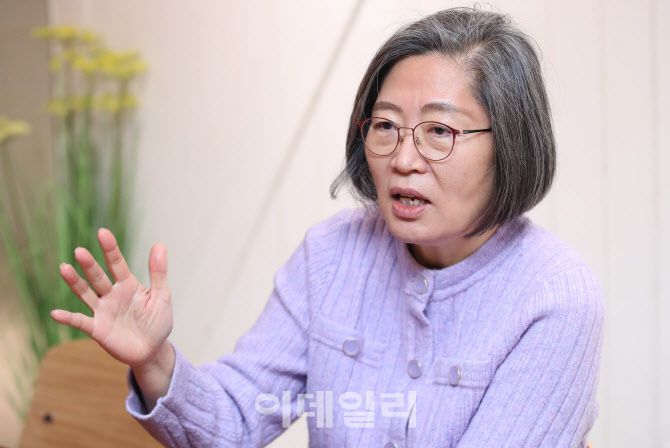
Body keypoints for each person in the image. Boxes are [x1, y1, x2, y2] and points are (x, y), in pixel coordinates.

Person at [51, 7, 604, 448]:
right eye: (385, 125)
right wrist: (154, 360)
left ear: (510, 143)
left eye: (439, 131)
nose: (403, 158)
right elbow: (236, 419)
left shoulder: (554, 297)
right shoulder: (333, 254)